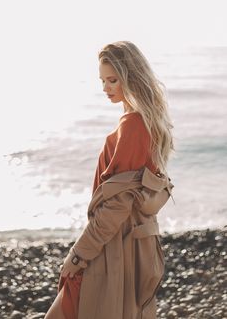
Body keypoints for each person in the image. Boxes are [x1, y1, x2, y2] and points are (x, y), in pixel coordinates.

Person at [44, 40, 174, 319]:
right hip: (135, 244)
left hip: (115, 246)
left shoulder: (133, 125)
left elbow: (116, 206)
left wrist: (78, 255)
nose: (105, 88)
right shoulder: (148, 120)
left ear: (131, 77)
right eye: (102, 80)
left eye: (112, 80)